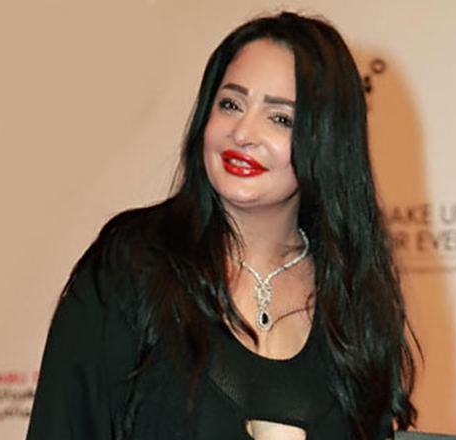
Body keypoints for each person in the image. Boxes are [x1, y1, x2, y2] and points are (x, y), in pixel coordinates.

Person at [26, 11, 418, 440]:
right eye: (230, 104)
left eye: (280, 118)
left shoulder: (353, 303)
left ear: (327, 140)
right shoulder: (133, 264)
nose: (243, 133)